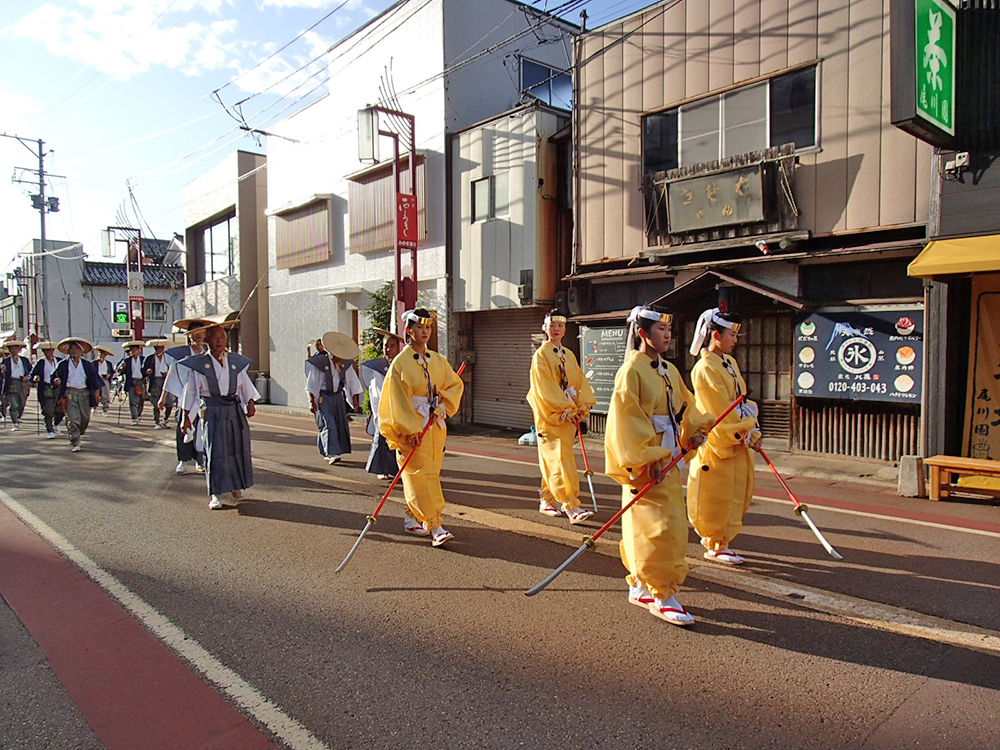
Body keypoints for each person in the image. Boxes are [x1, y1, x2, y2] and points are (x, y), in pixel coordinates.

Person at [605, 305, 714, 626]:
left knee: (666, 524)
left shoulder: (667, 369)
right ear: (642, 334)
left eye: (669, 331)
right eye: (660, 331)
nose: (668, 335)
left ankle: (642, 585)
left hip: (668, 457)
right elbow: (626, 420)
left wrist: (694, 431)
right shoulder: (631, 371)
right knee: (656, 528)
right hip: (648, 463)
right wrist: (647, 457)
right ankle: (661, 593)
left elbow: (685, 406)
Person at [378, 309, 464, 547]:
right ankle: (435, 524)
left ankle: (412, 516)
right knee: (419, 476)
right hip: (413, 427)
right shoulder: (400, 363)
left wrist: (443, 405)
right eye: (419, 328)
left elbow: (454, 384)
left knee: (432, 472)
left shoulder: (437, 360)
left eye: (428, 328)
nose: (424, 332)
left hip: (434, 424)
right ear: (409, 331)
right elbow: (397, 400)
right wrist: (409, 430)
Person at [686, 308, 761, 566]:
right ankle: (714, 541)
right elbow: (718, 410)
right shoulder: (705, 368)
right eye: (732, 334)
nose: (735, 340)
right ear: (716, 335)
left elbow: (741, 402)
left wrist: (752, 428)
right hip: (719, 442)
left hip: (737, 437)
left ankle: (723, 541)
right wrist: (742, 429)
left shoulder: (730, 363)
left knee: (737, 492)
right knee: (716, 495)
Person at [177, 320, 259, 510]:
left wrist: (251, 402)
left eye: (222, 336)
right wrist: (185, 417)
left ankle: (236, 484)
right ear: (206, 339)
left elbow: (244, 384)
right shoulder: (199, 364)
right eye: (215, 337)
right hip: (212, 411)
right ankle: (216, 492)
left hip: (233, 410)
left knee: (237, 448)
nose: (219, 340)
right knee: (215, 451)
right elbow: (191, 393)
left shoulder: (235, 362)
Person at [527, 310, 597, 524]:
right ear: (544, 328)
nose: (556, 329)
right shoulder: (541, 355)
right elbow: (544, 387)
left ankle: (547, 499)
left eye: (560, 325)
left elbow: (579, 380)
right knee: (559, 459)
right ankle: (570, 504)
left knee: (558, 458)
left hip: (568, 415)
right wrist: (564, 405)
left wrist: (581, 403)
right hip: (551, 415)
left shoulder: (568, 354)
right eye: (552, 325)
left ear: (565, 329)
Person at [305, 331, 363, 465]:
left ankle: (330, 449)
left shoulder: (345, 364)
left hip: (338, 397)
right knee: (328, 423)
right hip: (324, 397)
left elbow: (352, 382)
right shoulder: (320, 362)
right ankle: (332, 452)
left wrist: (354, 400)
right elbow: (312, 383)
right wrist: (312, 401)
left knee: (339, 423)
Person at [162, 320, 209, 474]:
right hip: (186, 396)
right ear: (189, 336)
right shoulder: (182, 354)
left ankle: (199, 459)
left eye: (202, 332)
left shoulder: (208, 353)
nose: (199, 335)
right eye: (196, 333)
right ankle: (183, 459)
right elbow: (172, 375)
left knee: (202, 429)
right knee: (184, 426)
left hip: (204, 397)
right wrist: (163, 397)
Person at [361, 328, 404, 479]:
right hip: (384, 410)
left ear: (399, 348)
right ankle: (380, 468)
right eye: (386, 346)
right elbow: (376, 393)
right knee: (382, 439)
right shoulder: (377, 368)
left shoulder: (402, 365)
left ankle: (395, 469)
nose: (389, 349)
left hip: (399, 410)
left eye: (393, 346)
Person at [55, 338, 105, 452]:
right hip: (69, 393)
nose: (74, 351)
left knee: (85, 419)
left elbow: (95, 380)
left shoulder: (87, 365)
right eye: (71, 348)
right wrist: (56, 380)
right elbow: (54, 377)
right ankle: (75, 440)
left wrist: (97, 394)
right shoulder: (63, 364)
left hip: (84, 393)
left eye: (76, 348)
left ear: (81, 351)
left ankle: (79, 431)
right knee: (73, 419)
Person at [30, 341, 65, 439]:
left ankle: (56, 424)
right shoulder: (40, 362)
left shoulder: (59, 361)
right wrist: (35, 378)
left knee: (60, 410)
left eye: (50, 350)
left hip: (58, 388)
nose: (48, 352)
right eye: (46, 351)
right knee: (48, 410)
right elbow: (32, 375)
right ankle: (49, 429)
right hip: (45, 387)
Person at [1, 340, 31, 431]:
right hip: (11, 383)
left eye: (15, 348)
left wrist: (27, 376)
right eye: (11, 349)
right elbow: (1, 371)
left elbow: (31, 371)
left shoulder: (24, 360)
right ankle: (15, 422)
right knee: (13, 404)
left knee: (22, 403)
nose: (13, 350)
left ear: (19, 349)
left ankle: (18, 416)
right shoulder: (6, 361)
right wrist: (2, 371)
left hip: (22, 383)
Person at [143, 339, 171, 429]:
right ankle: (157, 422)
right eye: (158, 347)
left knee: (169, 402)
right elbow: (143, 370)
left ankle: (166, 419)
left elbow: (174, 368)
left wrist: (169, 373)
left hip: (166, 380)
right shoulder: (150, 358)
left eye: (162, 347)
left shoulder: (168, 357)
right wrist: (147, 371)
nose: (160, 349)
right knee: (155, 403)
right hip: (154, 381)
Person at [117, 341, 146, 425]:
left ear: (138, 350)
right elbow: (119, 371)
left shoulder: (143, 359)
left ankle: (139, 414)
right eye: (132, 350)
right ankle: (134, 417)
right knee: (132, 401)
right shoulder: (127, 360)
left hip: (141, 381)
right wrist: (122, 368)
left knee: (141, 400)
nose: (133, 351)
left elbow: (145, 371)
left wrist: (147, 372)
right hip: (131, 381)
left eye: (135, 349)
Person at [93, 346, 116, 416]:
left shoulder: (108, 363)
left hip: (104, 379)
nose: (101, 355)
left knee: (105, 395)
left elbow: (112, 372)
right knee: (95, 395)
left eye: (103, 354)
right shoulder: (94, 363)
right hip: (96, 379)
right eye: (100, 353)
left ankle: (105, 409)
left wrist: (109, 375)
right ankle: (94, 408)